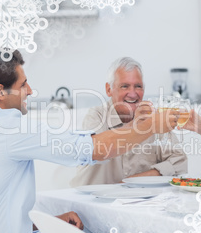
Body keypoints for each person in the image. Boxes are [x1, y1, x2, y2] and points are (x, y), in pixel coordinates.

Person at [0, 49, 178, 233]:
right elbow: (94, 149)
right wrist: (150, 126)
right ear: (1, 92)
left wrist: (48, 222)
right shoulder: (13, 128)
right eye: (23, 84)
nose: (31, 91)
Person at [70, 57, 187, 186]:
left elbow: (180, 162)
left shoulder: (153, 118)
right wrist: (138, 126)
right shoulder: (96, 116)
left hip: (138, 202)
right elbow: (101, 151)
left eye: (138, 86)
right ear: (109, 89)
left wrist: (136, 180)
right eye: (124, 86)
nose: (132, 94)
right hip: (93, 201)